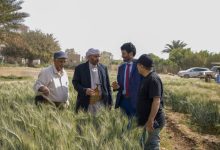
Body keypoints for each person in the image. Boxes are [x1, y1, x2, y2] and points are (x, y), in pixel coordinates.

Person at [136, 54, 165, 150]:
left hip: (153, 122)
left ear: (142, 66)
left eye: (137, 65)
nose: (137, 67)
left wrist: (150, 120)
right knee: (146, 146)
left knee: (152, 146)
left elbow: (156, 101)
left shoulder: (153, 79)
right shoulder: (146, 77)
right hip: (146, 120)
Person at [72, 48, 112, 114]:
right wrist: (85, 90)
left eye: (99, 56)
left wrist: (110, 102)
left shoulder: (103, 68)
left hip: (101, 103)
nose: (98, 58)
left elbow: (107, 85)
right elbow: (75, 83)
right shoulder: (80, 68)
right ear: (88, 57)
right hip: (86, 103)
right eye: (95, 56)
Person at [112, 42, 142, 117]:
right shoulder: (121, 68)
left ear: (131, 53)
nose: (122, 56)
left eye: (124, 53)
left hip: (136, 103)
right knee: (123, 127)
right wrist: (117, 87)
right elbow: (121, 85)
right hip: (123, 102)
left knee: (135, 126)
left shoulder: (141, 66)